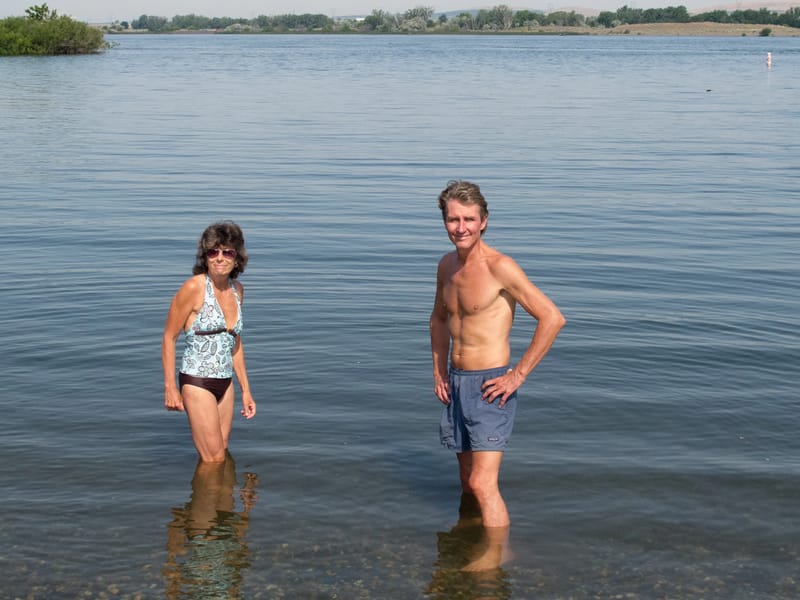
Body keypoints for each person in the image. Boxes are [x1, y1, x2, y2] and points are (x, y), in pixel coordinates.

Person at [430, 180, 565, 532]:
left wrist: (517, 375)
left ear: (484, 221)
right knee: (465, 477)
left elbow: (552, 317)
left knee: (482, 483)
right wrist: (439, 372)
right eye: (453, 219)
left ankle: (495, 560)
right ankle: (470, 535)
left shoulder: (500, 267)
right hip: (456, 383)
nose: (460, 228)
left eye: (469, 219)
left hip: (490, 385)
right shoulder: (447, 266)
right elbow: (439, 318)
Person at [163, 221, 256, 463]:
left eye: (228, 252)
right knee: (213, 458)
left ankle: (222, 501)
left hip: (226, 383)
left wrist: (246, 390)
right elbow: (169, 337)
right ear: (205, 256)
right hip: (197, 382)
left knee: (221, 451)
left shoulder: (238, 291)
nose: (220, 258)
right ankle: (202, 501)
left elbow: (234, 343)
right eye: (213, 251)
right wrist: (171, 388)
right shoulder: (194, 288)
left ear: (237, 258)